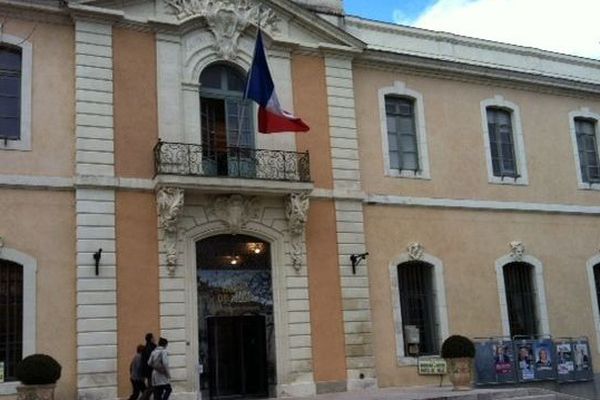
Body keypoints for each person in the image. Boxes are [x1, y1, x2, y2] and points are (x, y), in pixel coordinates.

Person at [139, 333, 157, 400]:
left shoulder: (145, 348)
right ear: (151, 339)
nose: (155, 339)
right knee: (152, 387)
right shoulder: (152, 348)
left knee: (152, 387)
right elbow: (153, 360)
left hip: (148, 372)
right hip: (152, 371)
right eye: (153, 338)